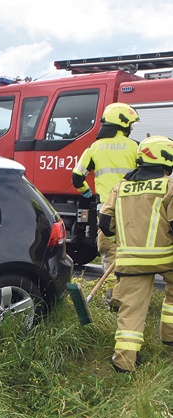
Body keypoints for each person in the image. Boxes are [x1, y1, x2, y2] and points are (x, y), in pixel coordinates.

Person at [99, 136, 173, 373]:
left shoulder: (120, 187)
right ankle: (170, 339)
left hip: (130, 260)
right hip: (167, 257)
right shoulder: (169, 186)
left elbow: (105, 222)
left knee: (130, 311)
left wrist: (123, 241)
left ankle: (124, 363)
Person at [72, 102, 140, 299]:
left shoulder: (94, 148)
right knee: (131, 253)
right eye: (130, 124)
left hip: (107, 211)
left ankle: (112, 299)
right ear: (123, 124)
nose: (131, 128)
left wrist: (86, 193)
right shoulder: (135, 147)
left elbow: (77, 177)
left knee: (110, 253)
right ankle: (131, 295)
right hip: (132, 209)